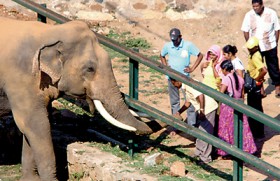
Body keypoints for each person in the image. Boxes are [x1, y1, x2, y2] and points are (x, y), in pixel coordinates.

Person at [160, 28, 203, 127]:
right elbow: (161, 55)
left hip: (184, 79)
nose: (174, 42)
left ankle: (191, 125)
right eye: (172, 39)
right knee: (174, 102)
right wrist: (166, 67)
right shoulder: (168, 46)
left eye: (176, 39)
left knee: (190, 101)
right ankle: (176, 125)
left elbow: (200, 55)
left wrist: (192, 68)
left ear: (180, 37)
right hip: (172, 79)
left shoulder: (188, 45)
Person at [171, 78, 218, 163]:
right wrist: (179, 112)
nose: (174, 86)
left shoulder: (189, 85)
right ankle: (199, 152)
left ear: (178, 81)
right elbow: (188, 103)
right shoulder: (185, 86)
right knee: (200, 131)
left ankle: (205, 158)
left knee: (205, 133)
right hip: (203, 110)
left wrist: (202, 110)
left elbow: (201, 95)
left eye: (173, 83)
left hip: (208, 109)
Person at [217, 60, 257, 158]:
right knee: (242, 128)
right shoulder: (240, 78)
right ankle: (246, 149)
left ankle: (227, 152)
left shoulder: (226, 79)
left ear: (225, 69)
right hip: (239, 105)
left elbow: (221, 94)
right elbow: (242, 94)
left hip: (228, 107)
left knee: (226, 129)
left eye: (222, 69)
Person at [241, 0, 280, 98]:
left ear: (262, 5)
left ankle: (278, 87)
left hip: (270, 45)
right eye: (253, 6)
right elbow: (245, 30)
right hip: (256, 47)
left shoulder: (271, 13)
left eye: (257, 6)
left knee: (273, 67)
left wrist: (275, 42)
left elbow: (277, 29)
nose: (255, 8)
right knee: (258, 68)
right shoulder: (249, 15)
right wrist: (250, 44)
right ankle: (261, 89)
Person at [245, 36, 268, 139]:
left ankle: (258, 133)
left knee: (255, 109)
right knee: (255, 108)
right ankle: (257, 132)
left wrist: (256, 79)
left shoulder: (255, 56)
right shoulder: (253, 54)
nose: (249, 49)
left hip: (254, 86)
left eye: (251, 47)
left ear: (256, 47)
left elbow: (264, 70)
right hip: (255, 85)